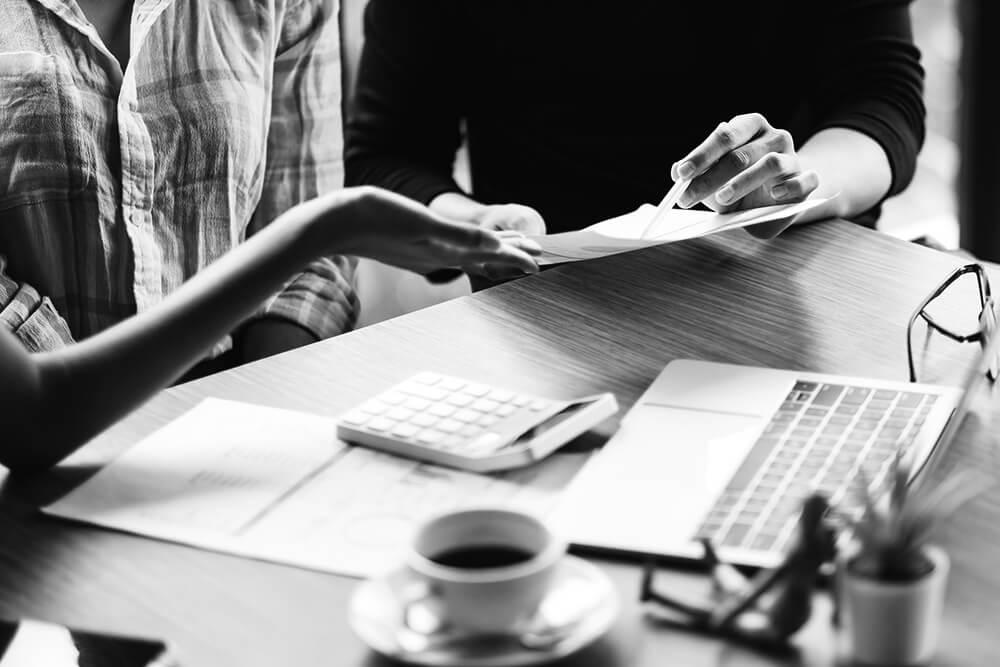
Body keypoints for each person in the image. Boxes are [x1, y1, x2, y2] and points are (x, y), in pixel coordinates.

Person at [0, 187, 540, 473]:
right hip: (62, 479)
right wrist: (328, 226)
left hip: (222, 443)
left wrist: (257, 428)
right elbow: (32, 416)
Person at [345, 1, 925, 246]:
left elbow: (882, 98)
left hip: (788, 271)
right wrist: (476, 225)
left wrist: (797, 185)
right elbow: (388, 154)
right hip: (555, 299)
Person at [0, 0, 363, 369]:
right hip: (42, 412)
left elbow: (309, 243)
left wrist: (255, 406)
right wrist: (75, 402)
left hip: (232, 400)